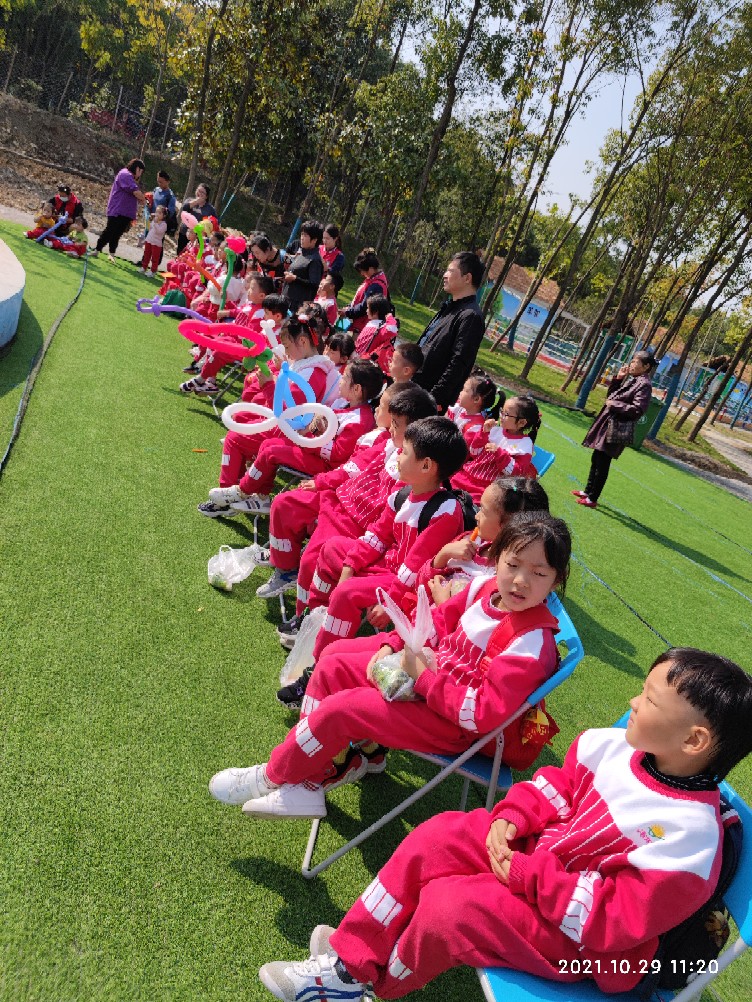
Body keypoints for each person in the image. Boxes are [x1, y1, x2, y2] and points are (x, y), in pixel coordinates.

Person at [255, 647, 752, 1002]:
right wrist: (514, 816)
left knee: (452, 908)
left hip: (582, 944)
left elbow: (611, 923)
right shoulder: (617, 746)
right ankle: (351, 957)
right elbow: (557, 785)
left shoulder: (689, 839)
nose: (633, 703)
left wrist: (528, 875)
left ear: (693, 741)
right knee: (438, 836)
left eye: (649, 700)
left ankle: (370, 985)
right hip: (538, 859)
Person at [209, 511, 570, 821]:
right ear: (498, 557)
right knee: (331, 665)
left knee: (342, 710)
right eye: (513, 564)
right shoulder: (485, 588)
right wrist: (393, 644)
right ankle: (315, 777)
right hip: (427, 681)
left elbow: (480, 716)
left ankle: (273, 776)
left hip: (452, 723)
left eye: (539, 573)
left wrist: (422, 677)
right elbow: (436, 621)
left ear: (556, 580)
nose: (520, 580)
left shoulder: (532, 644)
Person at [258, 385, 435, 637]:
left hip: (355, 523)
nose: (390, 428)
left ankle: (308, 619)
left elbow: (386, 521)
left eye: (396, 424)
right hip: (339, 499)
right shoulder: (388, 445)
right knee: (285, 503)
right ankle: (287, 570)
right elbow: (355, 466)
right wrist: (322, 482)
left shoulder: (411, 473)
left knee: (311, 559)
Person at [303, 416, 469, 661]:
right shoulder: (402, 495)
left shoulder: (445, 512)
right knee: (332, 549)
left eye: (405, 452)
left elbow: (414, 567)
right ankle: (313, 619)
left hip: (407, 583)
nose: (398, 456)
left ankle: (320, 659)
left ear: (426, 466)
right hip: (389, 567)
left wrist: (390, 604)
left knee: (346, 593)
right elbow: (377, 536)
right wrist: (350, 566)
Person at [222, 360, 384, 515]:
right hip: (313, 451)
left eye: (345, 377)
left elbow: (336, 454)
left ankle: (241, 490)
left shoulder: (359, 420)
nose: (341, 380)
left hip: (325, 465)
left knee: (271, 452)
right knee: (268, 444)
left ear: (356, 389)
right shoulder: (344, 404)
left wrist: (309, 435)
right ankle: (261, 496)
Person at [418, 476, 550, 595]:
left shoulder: (505, 577)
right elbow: (420, 585)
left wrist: (444, 605)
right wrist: (444, 554)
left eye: (483, 511)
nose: (476, 515)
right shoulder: (469, 539)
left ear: (508, 526)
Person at [574, 350, 658, 508]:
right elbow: (612, 396)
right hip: (609, 423)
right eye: (632, 360)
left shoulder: (644, 385)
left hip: (617, 426)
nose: (631, 364)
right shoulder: (634, 380)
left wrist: (614, 405)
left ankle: (592, 498)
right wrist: (618, 379)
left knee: (603, 462)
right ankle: (587, 491)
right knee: (596, 458)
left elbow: (638, 409)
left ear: (646, 366)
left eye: (635, 362)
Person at [415, 251, 486, 412]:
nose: (444, 275)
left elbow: (458, 363)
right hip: (416, 389)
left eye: (450, 271)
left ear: (467, 278)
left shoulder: (471, 316)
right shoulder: (450, 308)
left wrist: (435, 398)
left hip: (428, 400)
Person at [451, 394, 540, 503]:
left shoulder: (524, 445)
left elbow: (516, 474)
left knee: (465, 505)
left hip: (487, 489)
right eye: (502, 411)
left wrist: (499, 453)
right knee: (445, 489)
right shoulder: (495, 430)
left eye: (506, 414)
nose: (501, 416)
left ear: (522, 422)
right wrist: (483, 433)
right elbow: (474, 453)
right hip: (467, 476)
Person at [90, 158, 146, 258]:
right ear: (137, 169)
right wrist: (144, 200)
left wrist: (141, 199)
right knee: (110, 231)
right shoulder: (125, 174)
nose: (140, 174)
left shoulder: (128, 176)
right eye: (141, 171)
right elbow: (135, 191)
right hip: (118, 209)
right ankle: (97, 249)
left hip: (125, 212)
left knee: (117, 234)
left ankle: (111, 254)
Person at [339, 249, 389, 334]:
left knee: (340, 338)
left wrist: (347, 312)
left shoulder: (376, 285)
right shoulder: (373, 279)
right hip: (352, 315)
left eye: (362, 270)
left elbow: (364, 307)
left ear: (371, 269)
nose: (361, 273)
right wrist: (348, 308)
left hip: (360, 325)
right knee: (337, 333)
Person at [283, 220, 325, 312]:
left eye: (305, 235)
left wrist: (295, 278)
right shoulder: (302, 254)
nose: (302, 238)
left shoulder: (315, 260)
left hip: (298, 307)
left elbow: (314, 284)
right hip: (287, 301)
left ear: (314, 240)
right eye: (302, 234)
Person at [354, 295, 399, 374]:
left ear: (375, 312)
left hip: (364, 364)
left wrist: (389, 316)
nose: (366, 311)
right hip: (360, 360)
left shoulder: (382, 328)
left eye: (368, 308)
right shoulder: (372, 323)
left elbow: (393, 329)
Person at [176, 183, 217, 253]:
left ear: (206, 196)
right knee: (180, 253)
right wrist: (196, 202)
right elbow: (184, 209)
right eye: (198, 190)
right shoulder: (189, 200)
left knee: (192, 255)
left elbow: (214, 222)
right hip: (184, 233)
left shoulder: (210, 209)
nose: (199, 193)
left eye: (202, 192)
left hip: (198, 237)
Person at [139, 204, 168, 277]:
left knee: (155, 258)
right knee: (146, 255)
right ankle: (144, 267)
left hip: (156, 244)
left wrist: (155, 223)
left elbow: (159, 231)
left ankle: (153, 271)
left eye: (159, 213)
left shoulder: (164, 224)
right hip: (149, 240)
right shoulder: (154, 221)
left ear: (164, 215)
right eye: (156, 212)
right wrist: (148, 221)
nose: (157, 214)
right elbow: (149, 228)